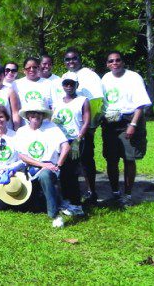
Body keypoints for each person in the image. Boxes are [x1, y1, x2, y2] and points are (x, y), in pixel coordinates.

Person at [101, 51, 151, 207]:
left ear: (122, 62)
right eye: (111, 61)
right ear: (107, 64)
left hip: (128, 120)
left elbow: (140, 104)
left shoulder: (134, 77)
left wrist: (133, 125)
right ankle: (115, 193)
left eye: (118, 60)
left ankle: (128, 195)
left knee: (129, 158)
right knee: (111, 159)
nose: (115, 63)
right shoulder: (105, 78)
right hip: (110, 123)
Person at [15, 100, 71, 228]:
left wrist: (58, 165)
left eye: (39, 113)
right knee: (31, 206)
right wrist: (41, 164)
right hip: (30, 169)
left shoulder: (52, 128)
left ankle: (55, 215)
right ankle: (58, 201)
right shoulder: (22, 131)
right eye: (32, 113)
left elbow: (66, 146)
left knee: (45, 175)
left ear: (43, 115)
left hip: (50, 167)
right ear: (27, 115)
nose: (35, 115)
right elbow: (21, 156)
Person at [63, 47, 105, 203]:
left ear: (80, 59)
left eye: (74, 58)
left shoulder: (89, 75)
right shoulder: (65, 76)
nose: (71, 61)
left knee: (86, 161)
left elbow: (97, 101)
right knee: (70, 162)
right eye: (67, 59)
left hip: (85, 128)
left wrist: (92, 126)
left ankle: (91, 192)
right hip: (68, 129)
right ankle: (73, 193)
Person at [51, 71, 89, 216]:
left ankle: (77, 204)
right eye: (66, 83)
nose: (68, 86)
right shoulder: (58, 101)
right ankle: (66, 200)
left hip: (75, 140)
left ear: (76, 85)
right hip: (60, 141)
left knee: (73, 172)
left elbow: (86, 121)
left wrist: (79, 138)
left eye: (71, 83)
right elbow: (53, 119)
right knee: (63, 171)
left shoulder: (83, 100)